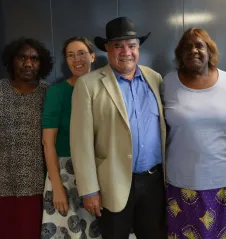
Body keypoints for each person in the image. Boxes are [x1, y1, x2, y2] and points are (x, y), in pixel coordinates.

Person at [70, 17, 167, 239]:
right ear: (107, 48)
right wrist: (89, 190)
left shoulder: (155, 78)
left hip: (153, 183)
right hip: (111, 184)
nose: (126, 52)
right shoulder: (88, 84)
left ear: (138, 48)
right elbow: (81, 143)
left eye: (131, 45)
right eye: (118, 46)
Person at [162, 28, 226, 239]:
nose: (194, 50)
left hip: (225, 182)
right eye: (187, 47)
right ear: (180, 54)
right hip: (182, 184)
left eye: (200, 45)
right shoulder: (167, 84)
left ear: (210, 51)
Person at [0, 37, 53, 239]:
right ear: (12, 60)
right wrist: (1, 152)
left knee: (38, 231)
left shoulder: (48, 92)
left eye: (34, 59)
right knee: (9, 231)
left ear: (41, 64)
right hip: (5, 179)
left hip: (39, 179)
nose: (28, 63)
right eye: (22, 58)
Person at [40, 37, 101, 239]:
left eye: (82, 53)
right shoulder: (57, 92)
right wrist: (57, 187)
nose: (77, 59)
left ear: (92, 56)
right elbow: (48, 142)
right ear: (66, 61)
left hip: (100, 171)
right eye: (71, 55)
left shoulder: (105, 89)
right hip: (65, 175)